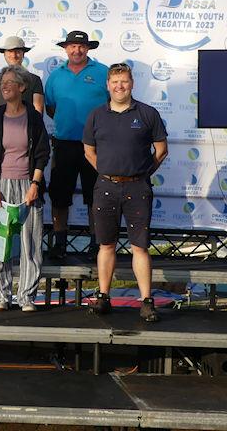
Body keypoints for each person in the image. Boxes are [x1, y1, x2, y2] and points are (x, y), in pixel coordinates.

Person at [82, 63, 168, 322]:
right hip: (105, 187)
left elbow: (161, 150)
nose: (120, 86)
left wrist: (140, 174)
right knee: (106, 244)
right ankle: (104, 297)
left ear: (132, 84)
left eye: (124, 81)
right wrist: (108, 172)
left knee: (139, 246)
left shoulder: (148, 113)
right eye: (115, 82)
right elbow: (89, 151)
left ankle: (146, 302)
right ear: (107, 85)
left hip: (138, 187)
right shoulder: (96, 115)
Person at [0, 65, 50, 312]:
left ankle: (27, 297)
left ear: (22, 88)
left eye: (10, 82)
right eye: (2, 83)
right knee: (2, 244)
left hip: (28, 187)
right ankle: (1, 295)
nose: (4, 86)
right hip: (1, 186)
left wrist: (35, 185)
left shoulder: (33, 117)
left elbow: (42, 154)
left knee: (29, 244)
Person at [44, 30, 109, 261]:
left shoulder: (103, 72)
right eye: (72, 46)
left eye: (81, 47)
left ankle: (96, 244)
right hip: (64, 144)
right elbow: (51, 108)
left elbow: (113, 105)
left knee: (96, 197)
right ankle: (59, 243)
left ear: (88, 49)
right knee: (60, 196)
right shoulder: (55, 77)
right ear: (65, 49)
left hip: (96, 145)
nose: (77, 50)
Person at [0, 36, 44, 113]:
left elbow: (38, 111)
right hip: (0, 124)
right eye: (10, 51)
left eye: (18, 51)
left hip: (27, 123)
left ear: (23, 54)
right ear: (4, 54)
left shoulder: (34, 80)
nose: (14, 55)